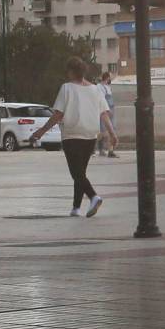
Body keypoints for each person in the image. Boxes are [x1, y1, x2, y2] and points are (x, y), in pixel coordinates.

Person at [28, 56, 117, 218]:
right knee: (80, 171)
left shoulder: (66, 88)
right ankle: (76, 208)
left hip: (72, 134)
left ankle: (93, 196)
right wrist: (112, 133)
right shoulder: (96, 89)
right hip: (90, 135)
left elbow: (58, 114)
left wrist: (41, 131)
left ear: (71, 71)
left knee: (76, 173)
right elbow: (104, 114)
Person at [96, 71, 116, 158]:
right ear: (107, 77)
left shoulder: (108, 87)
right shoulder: (100, 87)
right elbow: (101, 99)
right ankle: (99, 149)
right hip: (104, 110)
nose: (111, 78)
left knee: (112, 130)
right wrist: (106, 110)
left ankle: (111, 151)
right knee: (102, 132)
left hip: (111, 109)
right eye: (110, 76)